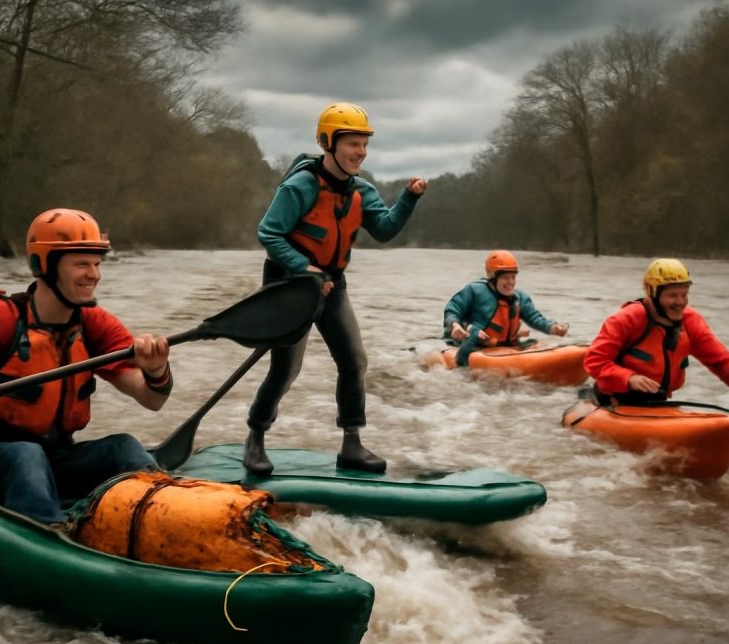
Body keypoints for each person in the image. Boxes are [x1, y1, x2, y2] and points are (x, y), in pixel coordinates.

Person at [0, 208, 173, 526]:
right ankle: (52, 539)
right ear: (44, 265)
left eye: (97, 264)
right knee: (25, 456)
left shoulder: (94, 324)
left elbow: (152, 400)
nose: (94, 274)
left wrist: (156, 370)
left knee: (124, 448)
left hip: (54, 458)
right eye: (81, 264)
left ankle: (167, 517)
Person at [242, 101, 428, 476]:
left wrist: (409, 199)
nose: (360, 152)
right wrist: (302, 268)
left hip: (332, 284)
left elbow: (385, 230)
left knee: (354, 360)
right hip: (289, 285)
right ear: (329, 142)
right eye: (352, 144)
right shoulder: (301, 185)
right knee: (286, 368)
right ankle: (255, 438)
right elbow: (269, 233)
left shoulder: (362, 190)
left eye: (364, 144)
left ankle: (352, 444)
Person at [584, 257, 729, 412]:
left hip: (657, 402)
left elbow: (720, 361)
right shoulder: (626, 319)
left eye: (684, 294)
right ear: (653, 293)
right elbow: (593, 361)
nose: (680, 302)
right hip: (614, 400)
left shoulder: (690, 321)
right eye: (672, 295)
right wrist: (629, 378)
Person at [439, 250, 568, 365]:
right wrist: (455, 325)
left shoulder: (520, 297)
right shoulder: (475, 291)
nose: (511, 282)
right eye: (506, 278)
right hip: (478, 346)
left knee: (535, 343)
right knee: (473, 332)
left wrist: (553, 328)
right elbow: (453, 308)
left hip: (508, 347)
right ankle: (461, 362)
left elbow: (535, 318)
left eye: (513, 277)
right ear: (492, 277)